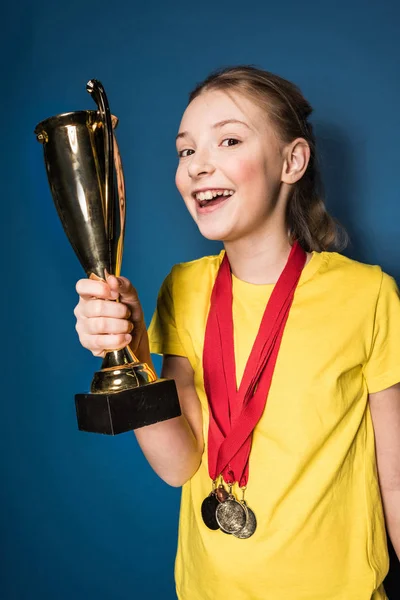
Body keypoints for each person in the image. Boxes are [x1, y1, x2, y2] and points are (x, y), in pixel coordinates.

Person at [73, 66, 400, 599]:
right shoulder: (182, 288)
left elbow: (396, 481)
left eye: (228, 140)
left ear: (291, 161)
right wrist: (130, 354)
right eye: (185, 151)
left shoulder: (368, 295)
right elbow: (180, 464)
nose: (198, 166)